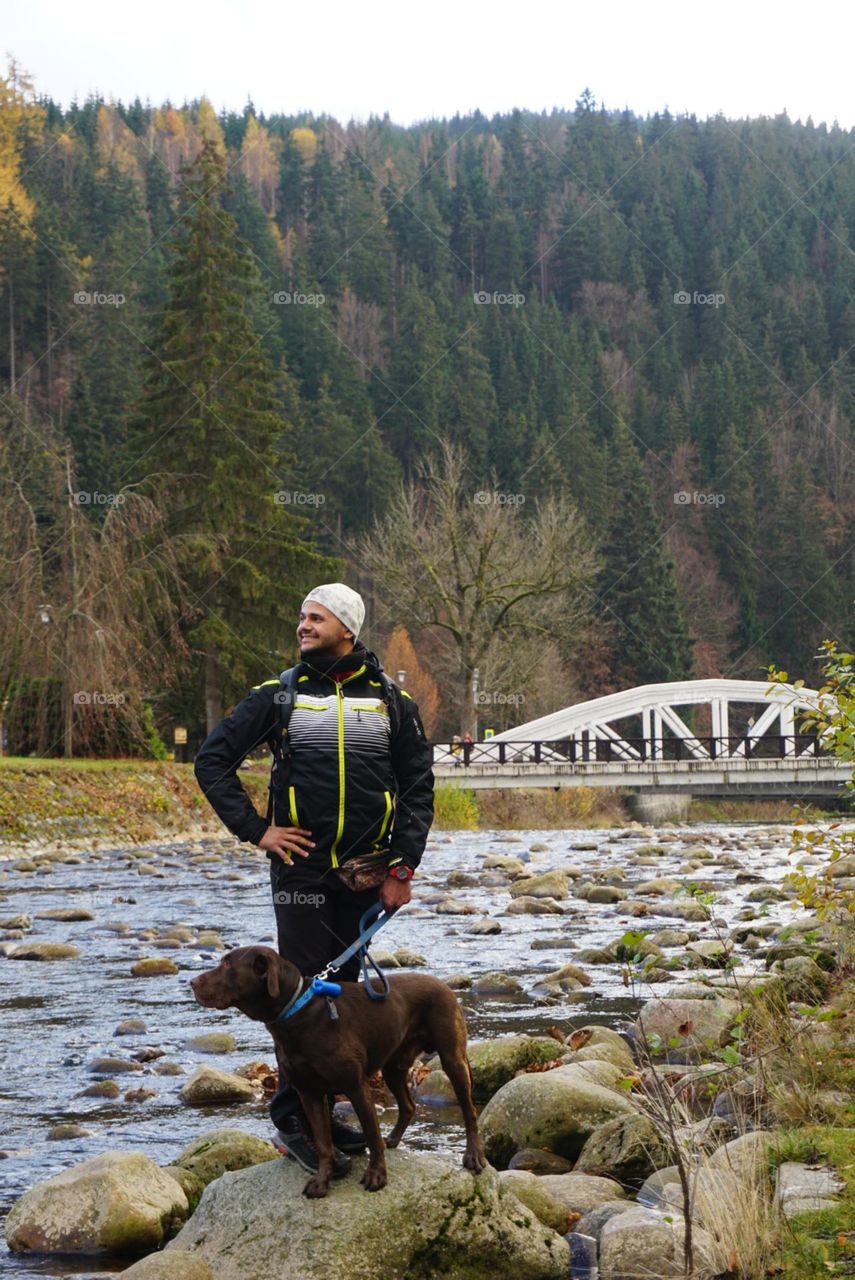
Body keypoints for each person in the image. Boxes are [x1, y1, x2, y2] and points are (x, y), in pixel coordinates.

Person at [194, 583, 434, 1177]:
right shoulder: (280, 695)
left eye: (315, 617)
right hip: (299, 873)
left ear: (346, 627)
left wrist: (402, 866)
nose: (302, 625)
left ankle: (324, 1111)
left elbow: (418, 788)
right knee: (291, 994)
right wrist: (258, 831)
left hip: (364, 874)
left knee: (341, 994)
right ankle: (293, 1118)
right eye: (300, 615)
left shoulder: (390, 701)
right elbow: (211, 762)